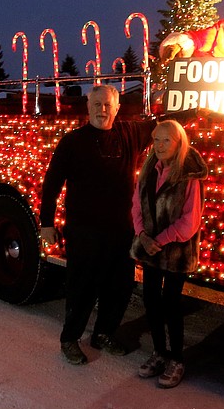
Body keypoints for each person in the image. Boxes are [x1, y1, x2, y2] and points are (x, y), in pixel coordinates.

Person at [40, 84, 155, 364]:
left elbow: (163, 125)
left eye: (108, 105)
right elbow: (52, 184)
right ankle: (70, 338)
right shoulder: (72, 142)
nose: (102, 110)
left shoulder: (130, 133)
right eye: (97, 105)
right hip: (84, 230)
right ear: (88, 108)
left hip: (121, 230)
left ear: (117, 109)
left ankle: (103, 333)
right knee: (83, 287)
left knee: (120, 286)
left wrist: (201, 111)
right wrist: (46, 223)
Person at [131, 120, 208, 388]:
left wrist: (159, 241)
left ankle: (176, 359)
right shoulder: (150, 169)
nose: (160, 146)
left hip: (174, 252)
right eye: (156, 140)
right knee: (151, 300)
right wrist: (142, 236)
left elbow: (189, 222)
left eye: (166, 141)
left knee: (171, 304)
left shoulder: (188, 176)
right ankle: (159, 353)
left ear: (178, 143)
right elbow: (136, 205)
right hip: (150, 247)